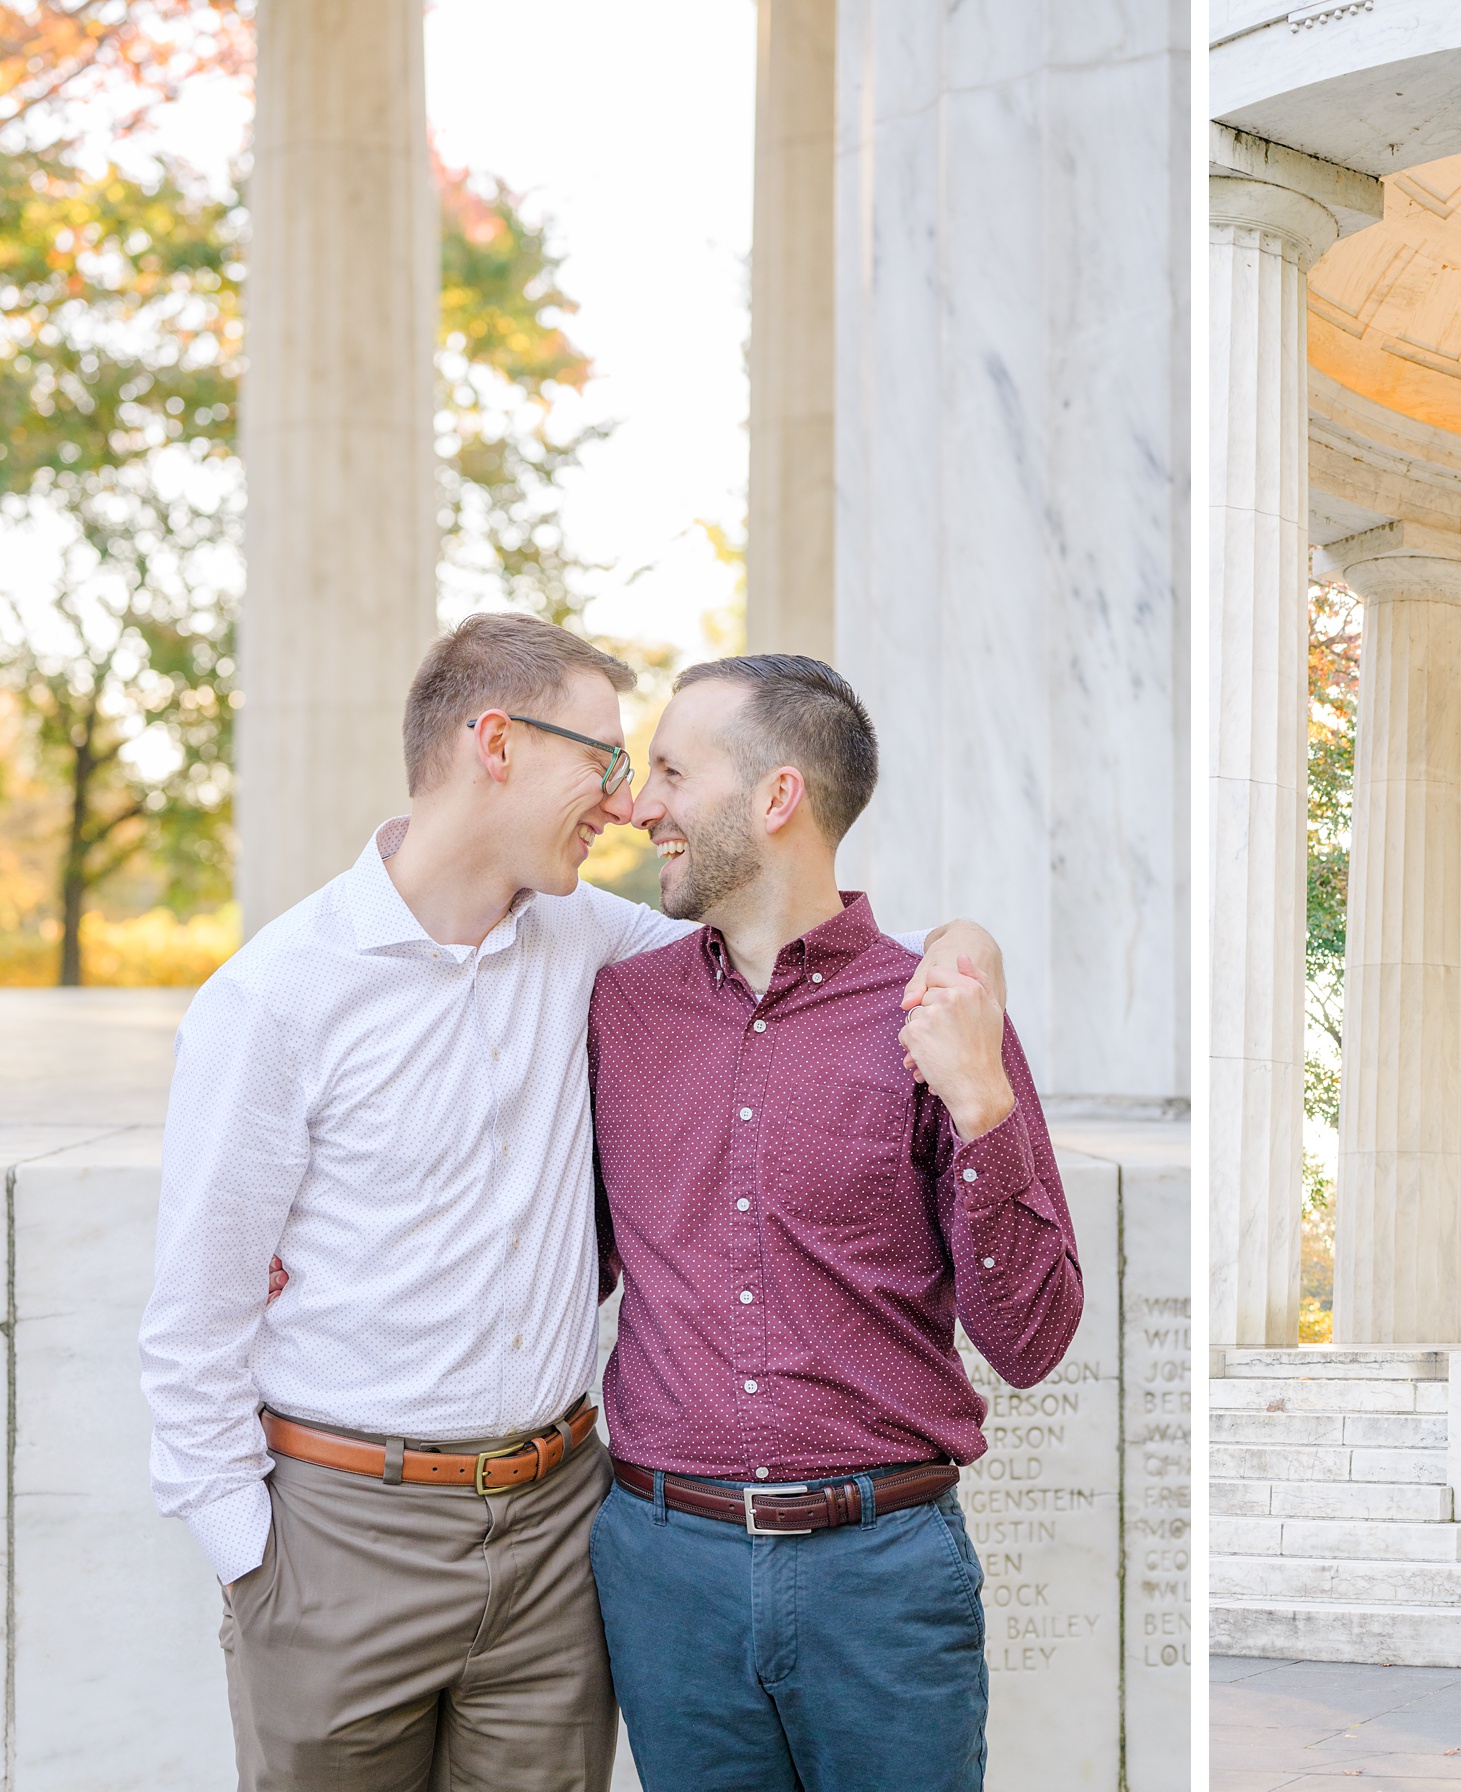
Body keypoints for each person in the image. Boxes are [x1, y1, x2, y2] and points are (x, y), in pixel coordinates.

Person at [138, 613, 998, 1790]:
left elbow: (794, 944)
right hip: (342, 1538)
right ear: (497, 741)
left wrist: (967, 948)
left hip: (558, 1539)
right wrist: (256, 1566)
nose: (627, 800)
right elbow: (197, 1314)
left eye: (645, 768)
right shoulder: (277, 999)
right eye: (602, 757)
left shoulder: (593, 941)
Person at [584, 652, 1081, 1792]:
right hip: (667, 1574)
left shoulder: (942, 1015)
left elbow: (1033, 1341)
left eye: (671, 772)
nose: (642, 804)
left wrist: (983, 1105)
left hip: (885, 1580)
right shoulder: (620, 1009)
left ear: (776, 797)